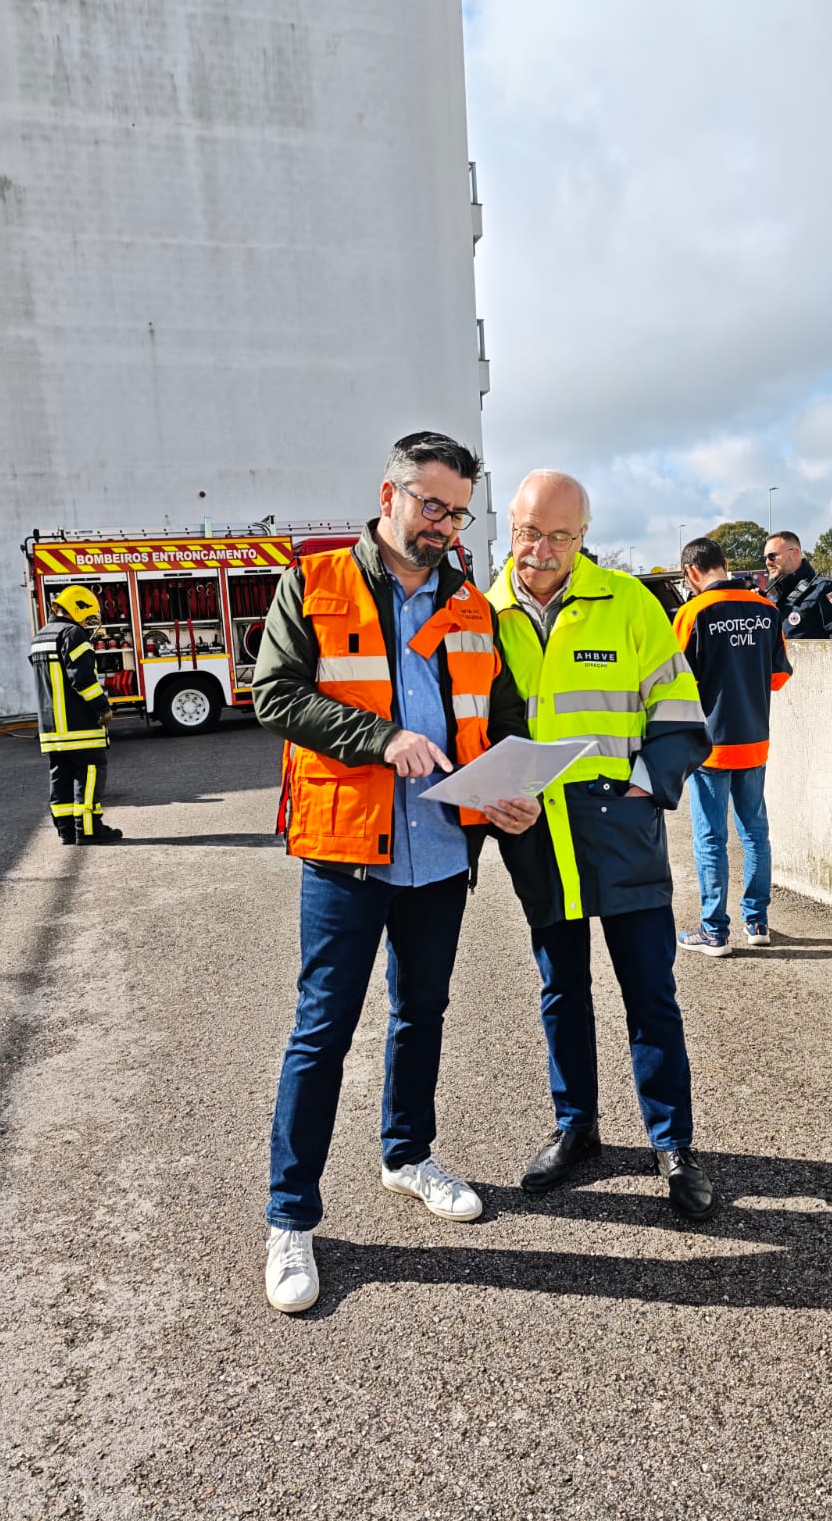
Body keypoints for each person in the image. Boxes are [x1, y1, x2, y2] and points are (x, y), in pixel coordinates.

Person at [252, 431, 540, 1314]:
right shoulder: (315, 580)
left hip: (443, 853)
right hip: (347, 849)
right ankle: (291, 1218)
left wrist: (508, 794)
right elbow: (276, 695)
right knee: (323, 1031)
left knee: (422, 1011)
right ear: (390, 493)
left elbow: (496, 722)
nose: (445, 527)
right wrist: (381, 738)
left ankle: (407, 1156)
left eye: (458, 513)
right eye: (431, 507)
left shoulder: (472, 605)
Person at [486, 470, 716, 1223]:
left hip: (621, 831)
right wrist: (490, 801)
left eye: (560, 535)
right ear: (509, 528)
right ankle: (576, 1125)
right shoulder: (479, 613)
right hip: (536, 837)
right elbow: (470, 728)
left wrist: (643, 791)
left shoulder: (629, 605)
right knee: (561, 991)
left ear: (583, 536)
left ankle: (673, 1144)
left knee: (650, 994)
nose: (541, 550)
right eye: (528, 532)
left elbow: (680, 714)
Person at [672, 536, 792, 956]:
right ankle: (757, 921)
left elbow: (677, 684)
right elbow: (779, 677)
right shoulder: (767, 609)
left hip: (711, 743)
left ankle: (714, 931)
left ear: (691, 573)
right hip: (755, 739)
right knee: (755, 831)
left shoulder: (692, 614)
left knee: (710, 837)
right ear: (725, 563)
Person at [29, 586, 121, 845]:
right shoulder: (73, 634)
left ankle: (67, 830)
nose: (87, 623)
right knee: (90, 772)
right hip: (79, 725)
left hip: (51, 727)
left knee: (61, 776)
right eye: (87, 616)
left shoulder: (41, 636)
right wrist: (102, 707)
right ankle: (90, 829)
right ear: (78, 609)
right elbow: (82, 679)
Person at [763, 532, 832, 638]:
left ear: (794, 553)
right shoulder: (769, 594)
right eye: (765, 558)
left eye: (772, 556)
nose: (767, 562)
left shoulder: (825, 589)